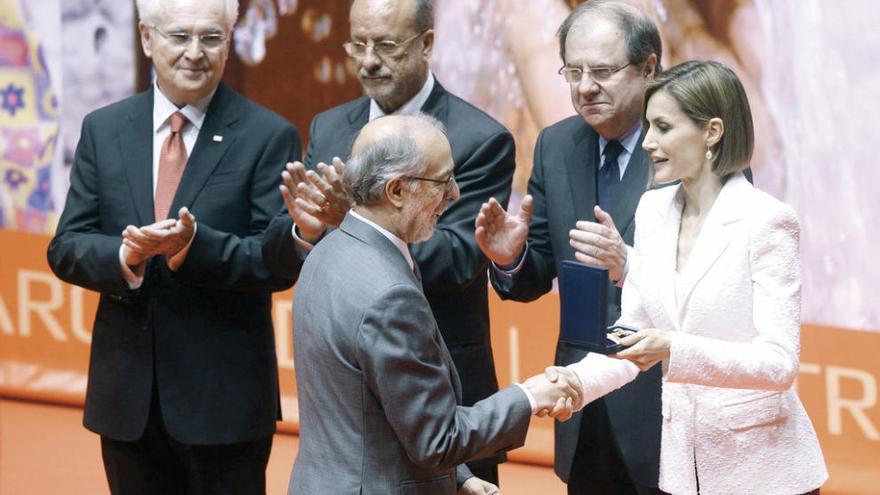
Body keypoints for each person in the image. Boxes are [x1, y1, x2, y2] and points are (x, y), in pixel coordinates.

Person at [46, 0, 301, 493]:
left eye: (210, 37)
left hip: (224, 403)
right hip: (126, 401)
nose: (194, 52)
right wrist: (127, 257)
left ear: (229, 42)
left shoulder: (268, 136)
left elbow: (276, 263)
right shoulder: (104, 129)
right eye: (178, 36)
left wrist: (193, 247)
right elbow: (66, 246)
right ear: (146, 38)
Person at [261, 0, 516, 484]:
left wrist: (354, 223)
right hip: (350, 398)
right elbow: (282, 247)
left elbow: (459, 260)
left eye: (386, 45)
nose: (369, 60)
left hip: (445, 398)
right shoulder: (331, 127)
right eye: (358, 44)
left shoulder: (479, 137)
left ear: (426, 44)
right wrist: (309, 228)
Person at [288, 113, 602, 495]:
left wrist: (460, 477)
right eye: (443, 181)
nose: (454, 195)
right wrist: (531, 395)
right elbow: (437, 440)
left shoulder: (329, 250)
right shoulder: (389, 294)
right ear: (397, 191)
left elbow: (372, 417)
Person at [569, 60, 827, 494]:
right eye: (648, 126)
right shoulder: (651, 211)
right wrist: (573, 384)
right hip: (682, 472)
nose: (648, 142)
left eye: (664, 127)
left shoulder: (767, 221)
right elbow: (633, 335)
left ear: (712, 132)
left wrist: (673, 348)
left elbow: (779, 364)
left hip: (766, 476)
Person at [474, 1, 663, 492]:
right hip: (582, 400)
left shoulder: (692, 147)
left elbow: (721, 285)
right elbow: (537, 272)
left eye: (602, 71)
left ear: (648, 68)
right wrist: (511, 257)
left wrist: (629, 266)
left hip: (667, 407)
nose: (584, 87)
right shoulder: (556, 144)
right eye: (573, 71)